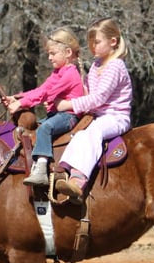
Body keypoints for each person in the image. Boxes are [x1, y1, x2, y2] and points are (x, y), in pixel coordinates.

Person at [53, 18, 132, 200]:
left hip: (115, 117)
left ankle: (78, 180)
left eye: (97, 42)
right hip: (98, 116)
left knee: (93, 131)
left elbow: (98, 98)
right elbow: (88, 92)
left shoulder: (115, 66)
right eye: (90, 42)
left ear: (113, 41)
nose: (92, 47)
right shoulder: (96, 65)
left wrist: (67, 104)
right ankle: (62, 169)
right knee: (78, 134)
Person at [2, 28, 85, 186]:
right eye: (49, 54)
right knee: (35, 128)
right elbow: (41, 89)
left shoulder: (70, 74)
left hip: (69, 116)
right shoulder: (57, 72)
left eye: (53, 53)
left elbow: (47, 94)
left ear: (68, 52)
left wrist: (21, 104)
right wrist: (17, 97)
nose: (49, 57)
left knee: (44, 129)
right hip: (56, 115)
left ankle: (40, 170)